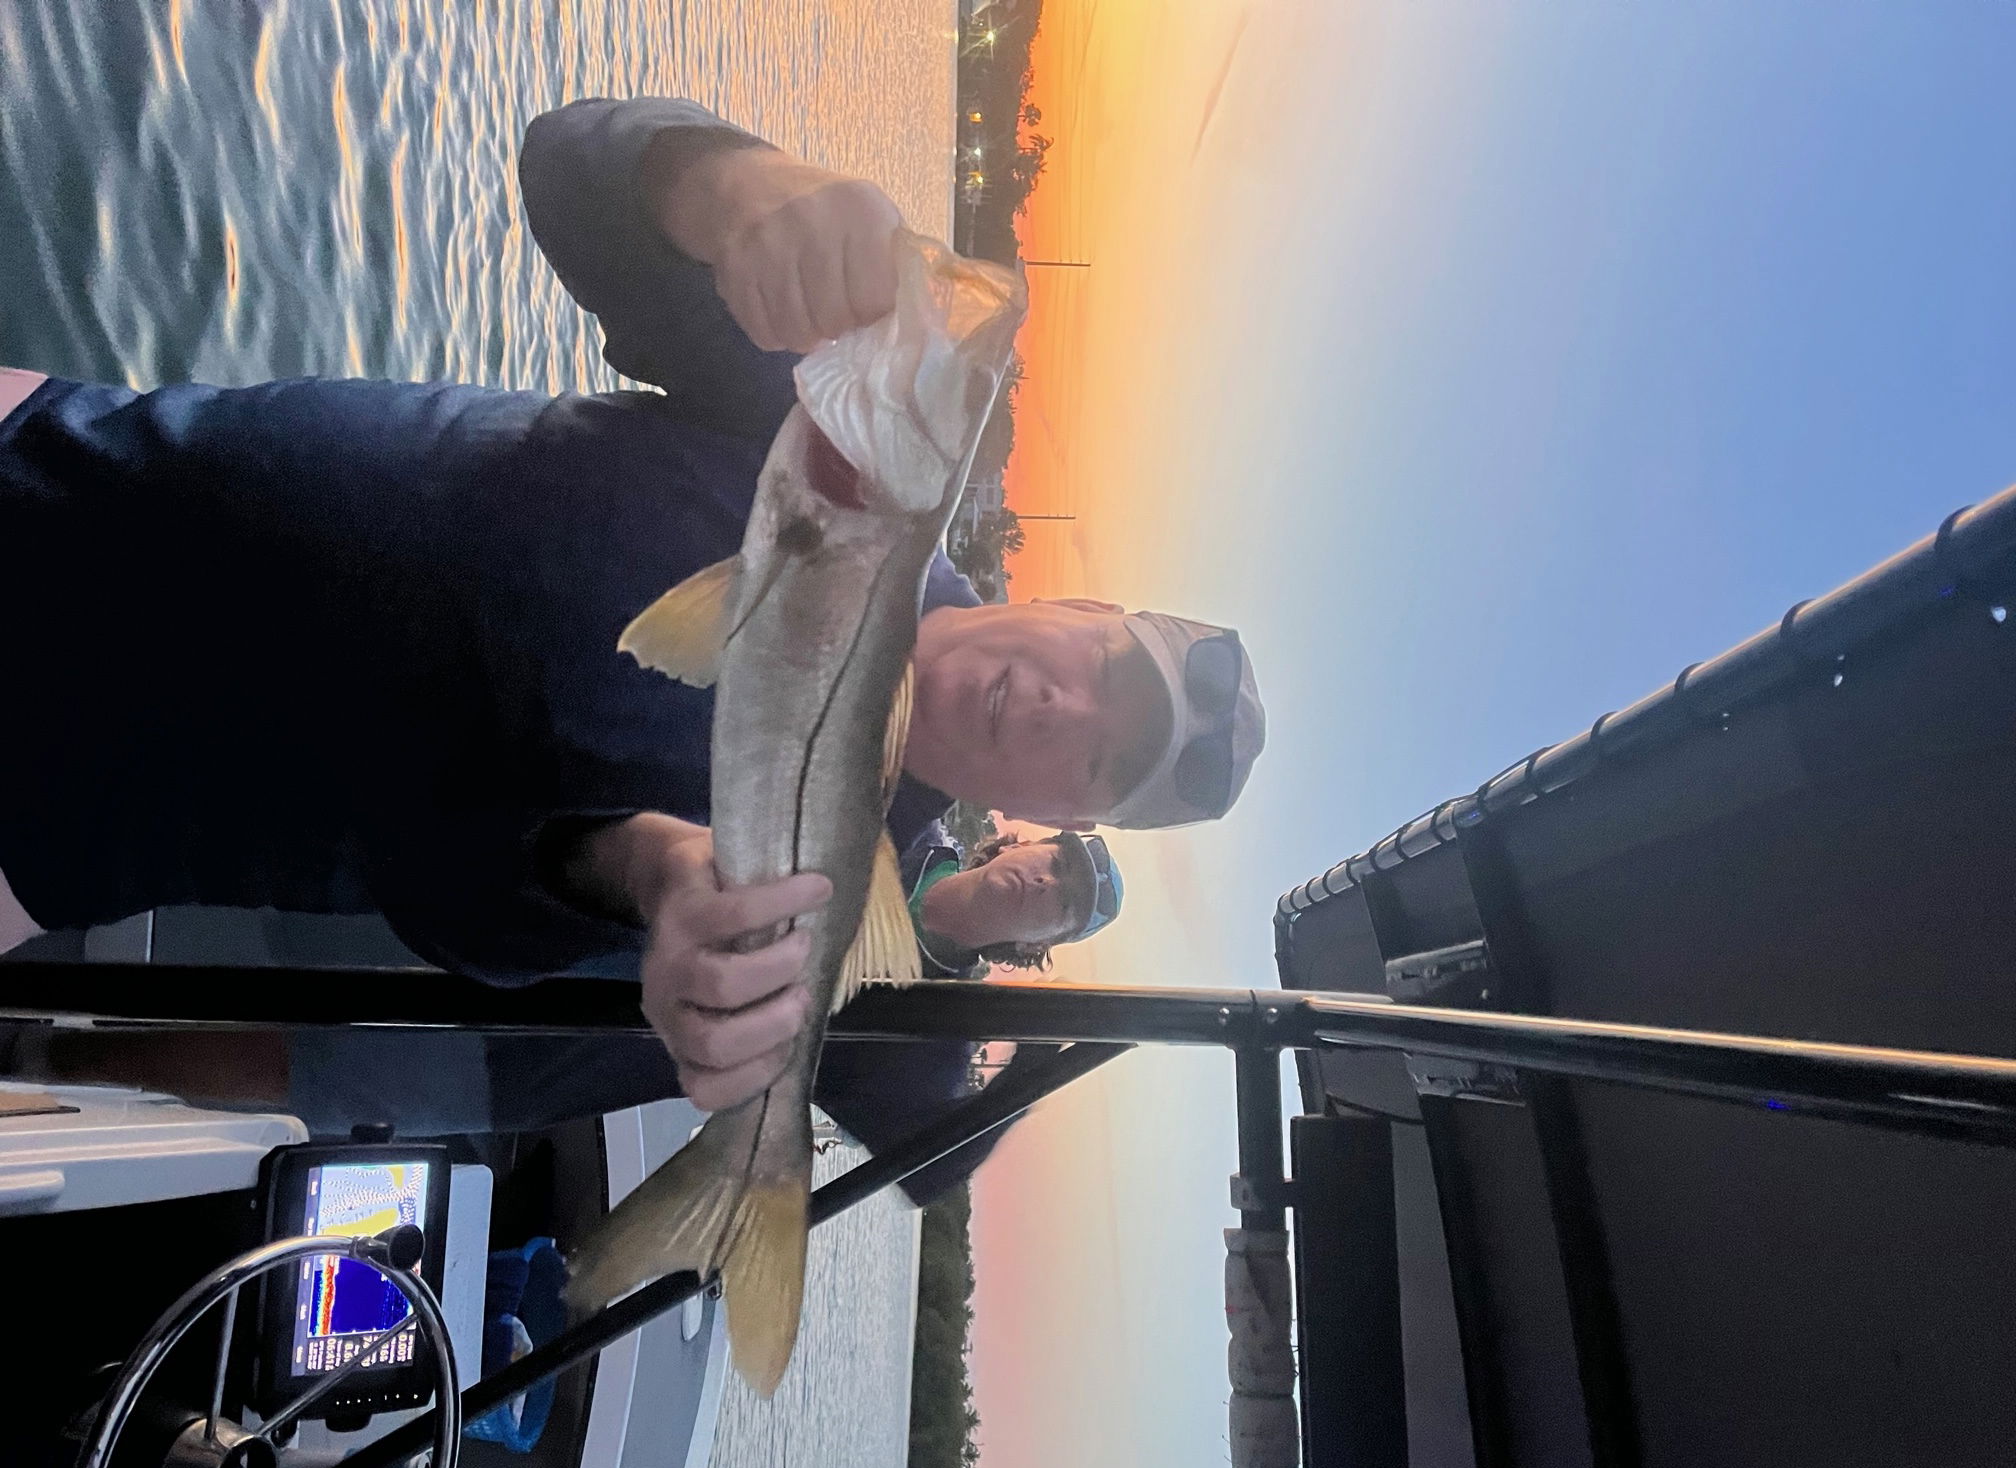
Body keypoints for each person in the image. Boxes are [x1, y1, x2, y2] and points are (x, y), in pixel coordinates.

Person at [0, 96, 1264, 1142]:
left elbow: (457, 904)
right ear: (1076, 603)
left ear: (1058, 808)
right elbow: (566, 169)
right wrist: (734, 188)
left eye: (1095, 760)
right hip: (74, 472)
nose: (1056, 710)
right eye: (1101, 669)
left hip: (74, 829)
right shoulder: (848, 450)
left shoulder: (812, 903)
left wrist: (646, 872)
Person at [903, 821, 1124, 978]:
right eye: (1056, 864)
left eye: (1064, 903)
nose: (1046, 882)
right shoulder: (908, 817)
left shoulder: (938, 1012)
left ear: (1035, 945)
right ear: (1018, 846)